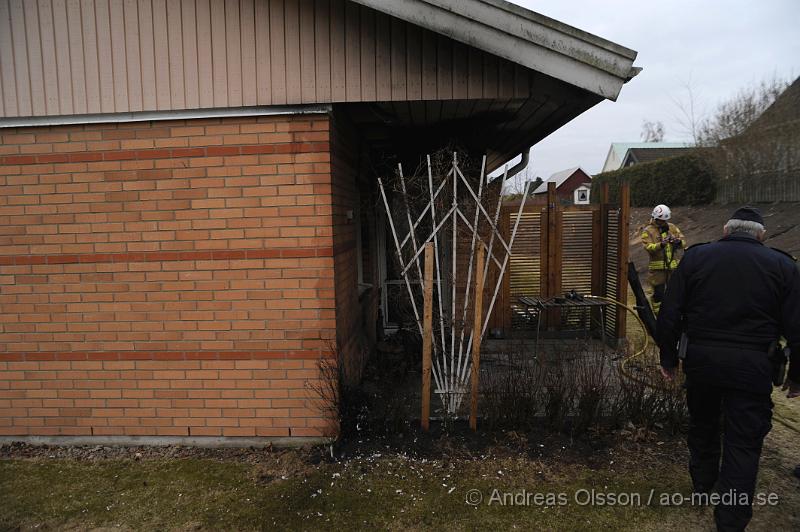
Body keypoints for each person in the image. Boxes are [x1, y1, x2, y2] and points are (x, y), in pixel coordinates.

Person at [657, 206, 800, 531]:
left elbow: (669, 312)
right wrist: (796, 376)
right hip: (754, 368)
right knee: (743, 442)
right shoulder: (782, 266)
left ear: (725, 230)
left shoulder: (696, 258)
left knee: (703, 425)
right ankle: (731, 519)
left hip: (703, 364)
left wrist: (668, 358)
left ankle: (703, 485)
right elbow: (797, 327)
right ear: (761, 235)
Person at [641, 204, 686, 313]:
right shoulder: (648, 231)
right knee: (658, 294)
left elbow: (683, 242)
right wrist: (661, 245)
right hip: (657, 271)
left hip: (673, 268)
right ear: (655, 218)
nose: (663, 223)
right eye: (661, 221)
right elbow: (648, 247)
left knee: (674, 293)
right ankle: (658, 316)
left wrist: (678, 241)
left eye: (665, 220)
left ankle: (672, 315)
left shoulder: (672, 227)